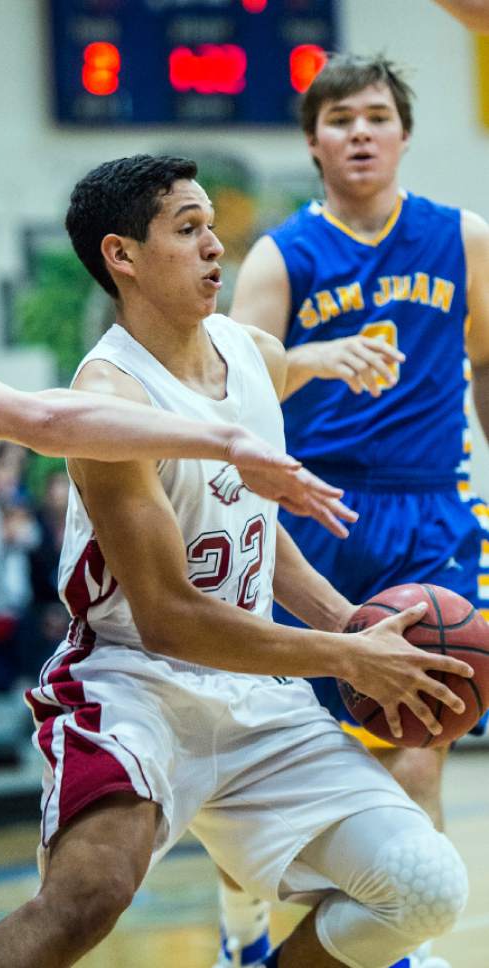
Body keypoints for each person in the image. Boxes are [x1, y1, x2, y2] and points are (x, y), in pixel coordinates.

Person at [0, 154, 473, 968]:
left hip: (251, 694)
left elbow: (254, 527)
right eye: (189, 229)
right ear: (121, 256)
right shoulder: (111, 403)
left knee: (423, 887)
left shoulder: (248, 354)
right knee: (85, 901)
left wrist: (351, 621)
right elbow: (168, 617)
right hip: (131, 683)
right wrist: (346, 653)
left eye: (213, 228)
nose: (215, 249)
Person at [0, 239, 353, 967]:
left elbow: (43, 418)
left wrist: (229, 432)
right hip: (130, 677)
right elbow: (44, 423)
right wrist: (225, 440)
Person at [226, 53, 489, 968]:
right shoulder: (280, 255)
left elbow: (487, 360)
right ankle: (242, 929)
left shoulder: (461, 238)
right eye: (339, 119)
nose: (360, 132)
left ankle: (393, 940)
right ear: (313, 144)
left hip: (429, 511)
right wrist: (307, 357)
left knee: (424, 725)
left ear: (404, 133)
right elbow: (234, 383)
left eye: (376, 115)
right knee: (270, 748)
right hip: (313, 513)